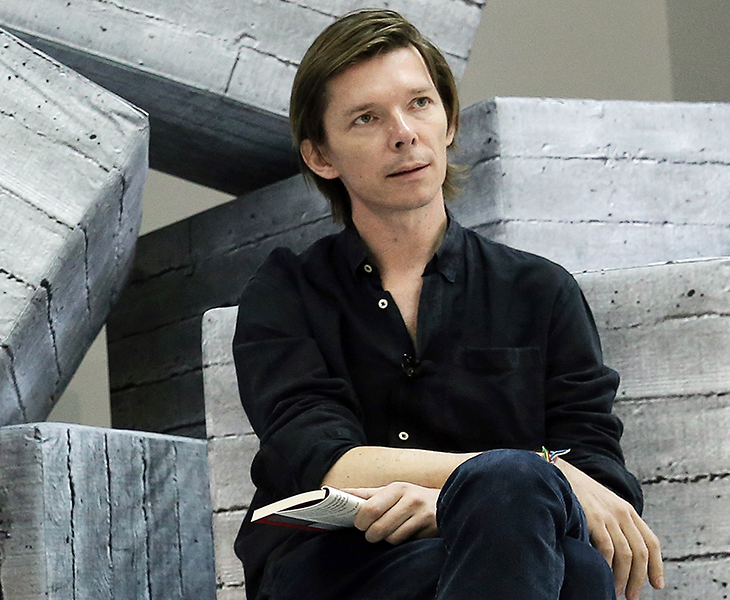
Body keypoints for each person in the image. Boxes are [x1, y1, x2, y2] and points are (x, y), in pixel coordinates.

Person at [232, 9, 664, 600]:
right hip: (338, 569)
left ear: (450, 120)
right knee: (543, 528)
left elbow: (599, 477)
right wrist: (515, 475)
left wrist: (456, 502)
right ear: (321, 156)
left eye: (419, 104)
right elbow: (323, 461)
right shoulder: (286, 291)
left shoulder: (540, 291)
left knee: (559, 547)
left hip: (507, 543)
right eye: (366, 118)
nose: (403, 133)